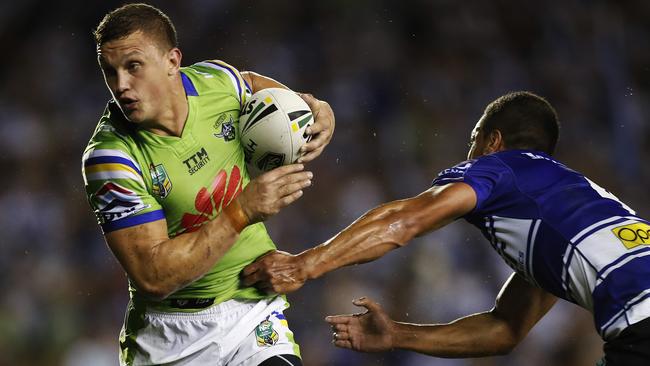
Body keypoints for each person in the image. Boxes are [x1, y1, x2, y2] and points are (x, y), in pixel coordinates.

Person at [242, 91, 650, 365]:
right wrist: (397, 335)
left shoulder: (498, 168)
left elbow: (403, 222)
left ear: (492, 141)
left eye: (473, 141)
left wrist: (305, 265)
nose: (468, 154)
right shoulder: (570, 205)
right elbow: (505, 329)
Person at [81, 3, 334, 366]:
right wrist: (243, 210)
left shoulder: (222, 84)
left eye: (133, 66)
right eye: (111, 72)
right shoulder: (112, 158)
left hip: (251, 315)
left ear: (172, 61)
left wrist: (323, 111)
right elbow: (154, 276)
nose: (121, 85)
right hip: (170, 337)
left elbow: (294, 104)